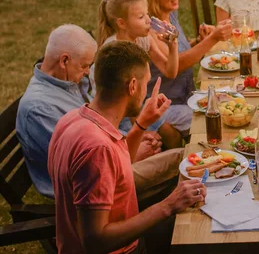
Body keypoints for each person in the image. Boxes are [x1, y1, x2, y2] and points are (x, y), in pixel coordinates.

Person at [48, 40, 207, 254]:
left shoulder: (73, 119)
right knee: (204, 233)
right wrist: (168, 205)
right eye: (146, 85)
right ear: (132, 86)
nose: (146, 93)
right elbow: (96, 241)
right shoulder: (97, 148)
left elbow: (117, 169)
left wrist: (141, 123)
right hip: (124, 250)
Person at [17, 24, 181, 202]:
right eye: (85, 65)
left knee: (182, 159)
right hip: (91, 190)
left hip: (110, 161)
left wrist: (132, 137)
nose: (88, 71)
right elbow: (84, 168)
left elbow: (100, 128)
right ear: (64, 61)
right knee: (182, 163)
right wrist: (132, 152)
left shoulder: (68, 82)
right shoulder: (40, 108)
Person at [139, 0, 232, 137]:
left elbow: (178, 51)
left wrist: (198, 41)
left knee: (229, 102)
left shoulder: (170, 15)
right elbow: (176, 66)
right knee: (216, 119)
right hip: (165, 105)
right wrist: (212, 39)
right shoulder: (150, 29)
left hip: (185, 96)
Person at [96, 0, 181, 149]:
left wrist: (173, 46)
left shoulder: (143, 39)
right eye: (141, 17)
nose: (149, 20)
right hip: (116, 117)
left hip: (137, 105)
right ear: (122, 23)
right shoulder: (115, 52)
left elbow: (170, 71)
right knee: (154, 145)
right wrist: (142, 130)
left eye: (147, 14)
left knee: (172, 136)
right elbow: (126, 100)